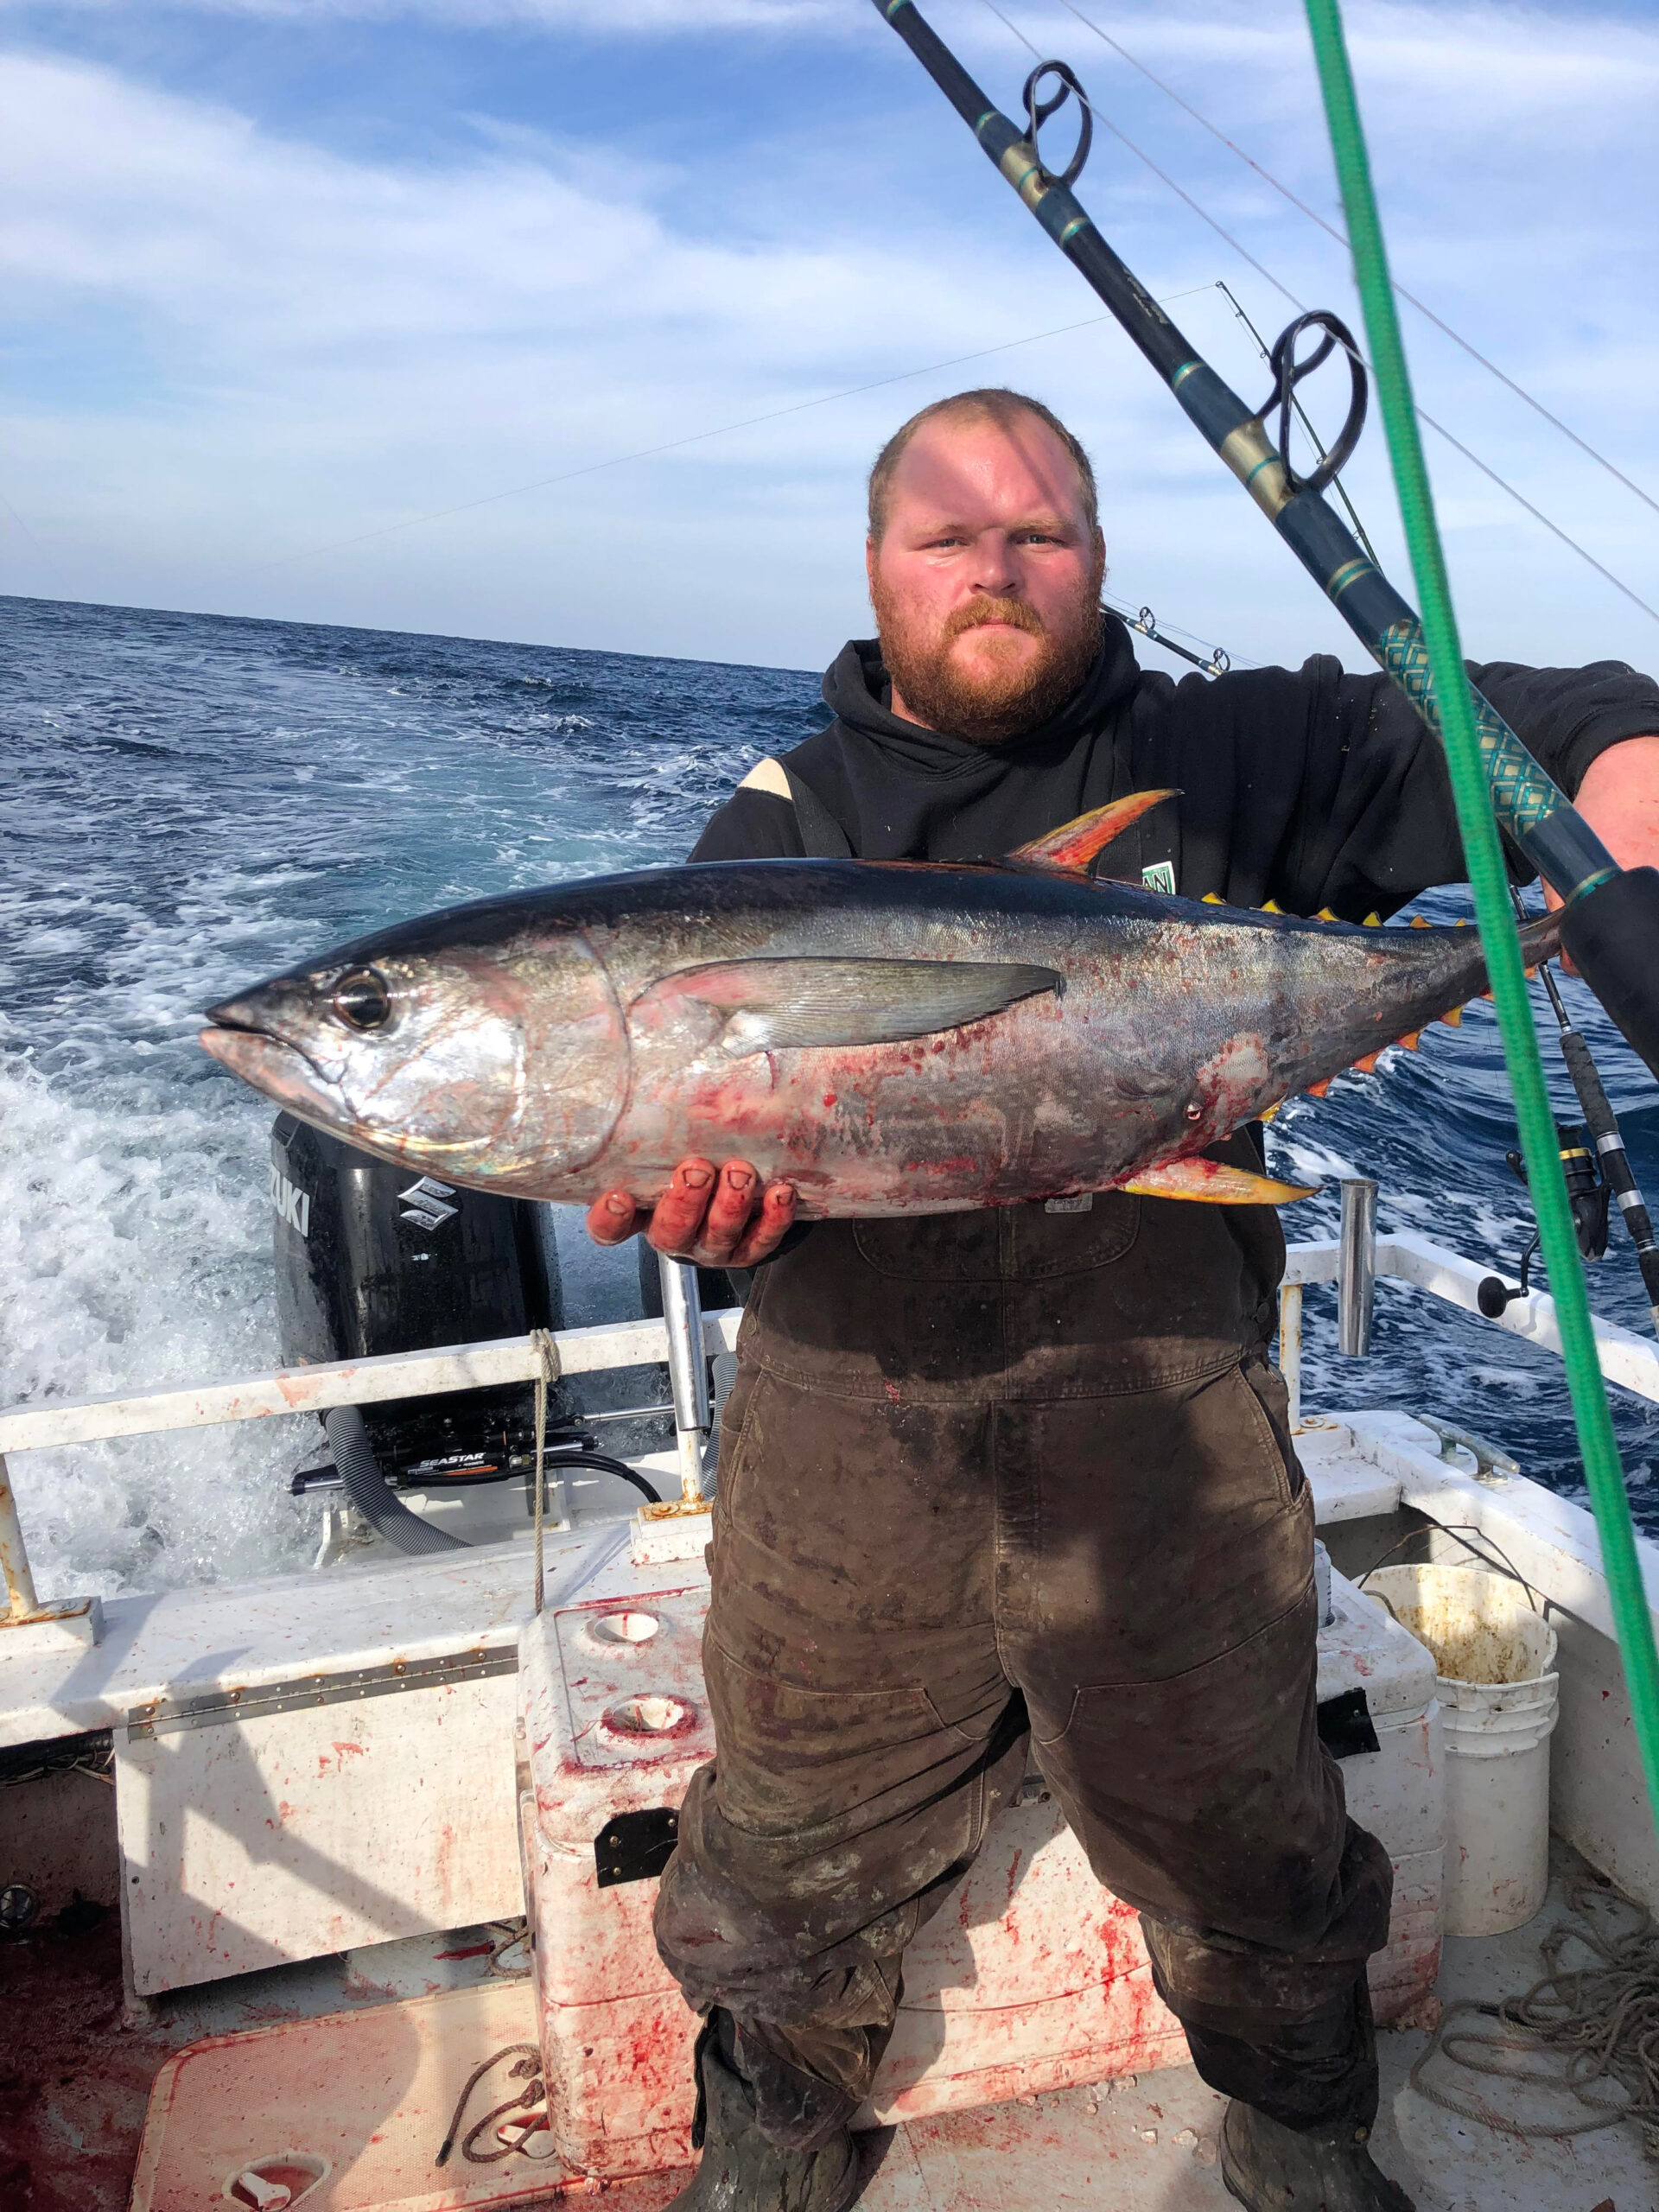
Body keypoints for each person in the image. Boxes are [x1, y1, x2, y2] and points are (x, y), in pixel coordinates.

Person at [586, 387, 1659, 2212]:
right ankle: (776, 2111)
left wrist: (1625, 869)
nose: (996, 568)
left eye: (1043, 532)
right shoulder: (781, 827)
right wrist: (715, 1228)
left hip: (1165, 1417)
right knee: (785, 1844)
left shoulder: (1239, 749)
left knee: (1249, 1836)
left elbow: (1557, 726)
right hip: (851, 1428)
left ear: (1100, 559)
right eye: (949, 536)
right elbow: (697, 1197)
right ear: (875, 569)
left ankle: (1302, 2118)